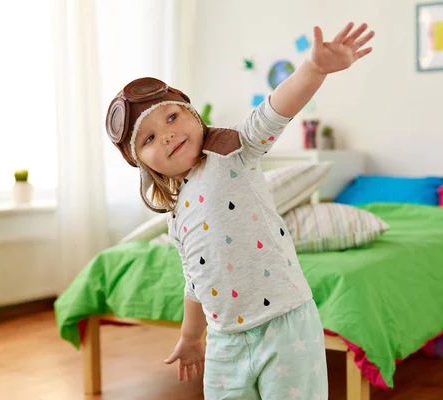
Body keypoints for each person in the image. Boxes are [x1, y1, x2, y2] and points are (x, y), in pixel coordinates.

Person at [106, 22, 374, 400]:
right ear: (143, 164)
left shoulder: (232, 149)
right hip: (223, 339)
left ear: (193, 115)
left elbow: (276, 109)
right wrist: (189, 336)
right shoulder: (176, 214)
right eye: (148, 138)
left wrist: (314, 69)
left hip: (285, 324)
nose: (166, 134)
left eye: (171, 117)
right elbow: (194, 282)